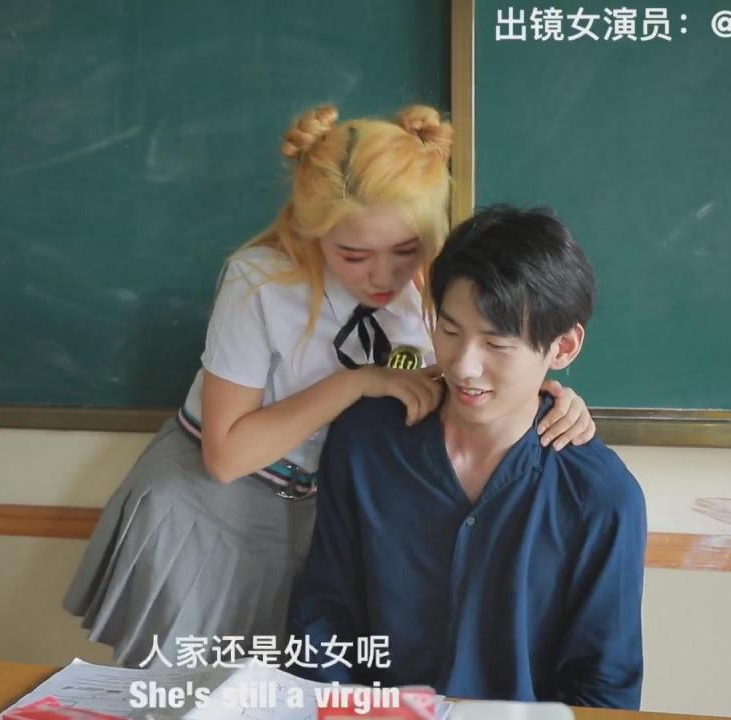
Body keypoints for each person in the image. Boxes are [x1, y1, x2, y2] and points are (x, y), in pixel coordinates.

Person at [64, 109, 597, 668]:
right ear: (312, 231)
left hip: (325, 521)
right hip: (211, 507)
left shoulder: (441, 286)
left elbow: (475, 367)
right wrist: (358, 382)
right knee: (188, 691)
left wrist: (552, 396)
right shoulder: (261, 281)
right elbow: (226, 456)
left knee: (292, 689)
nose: (383, 277)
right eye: (353, 255)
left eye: (406, 250)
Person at [290, 205, 646, 709]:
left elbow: (603, 686)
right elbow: (324, 619)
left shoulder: (599, 497)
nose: (464, 366)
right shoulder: (368, 441)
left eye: (497, 344)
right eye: (450, 331)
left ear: (563, 347)